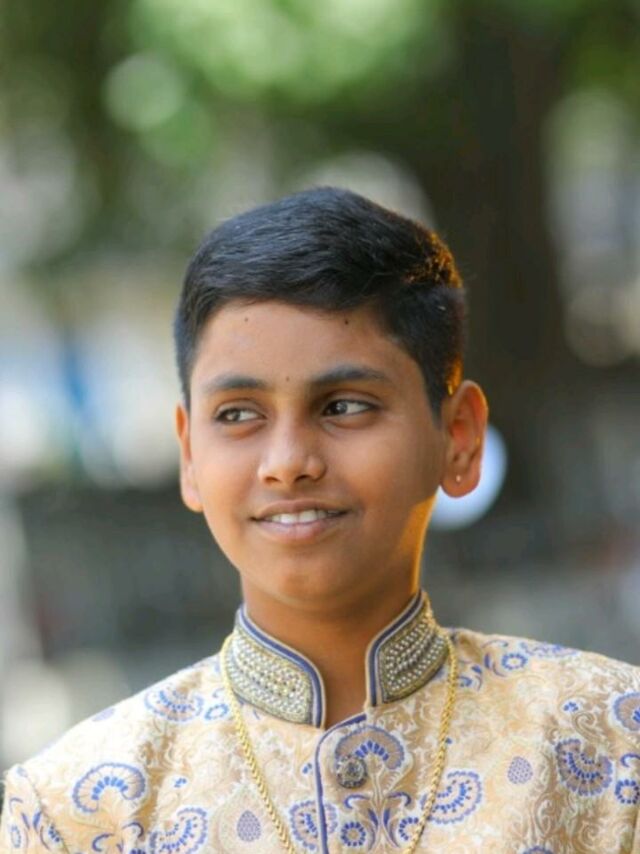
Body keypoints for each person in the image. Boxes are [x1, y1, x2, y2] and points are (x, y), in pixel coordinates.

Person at [1, 188, 639, 854]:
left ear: (458, 438)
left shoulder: (614, 746)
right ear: (189, 455)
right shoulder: (77, 812)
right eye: (238, 415)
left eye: (344, 406)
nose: (287, 463)